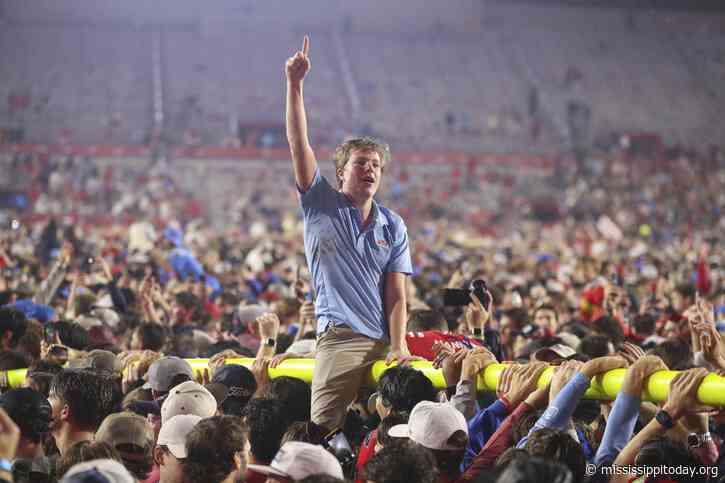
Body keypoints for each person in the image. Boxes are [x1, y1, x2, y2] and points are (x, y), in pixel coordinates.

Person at [285, 35, 416, 431]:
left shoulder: (392, 224)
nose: (371, 169)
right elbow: (298, 142)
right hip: (340, 340)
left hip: (385, 342)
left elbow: (396, 294)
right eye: (362, 163)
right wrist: (294, 85)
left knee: (399, 432)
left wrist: (399, 343)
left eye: (376, 164)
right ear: (341, 171)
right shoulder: (320, 201)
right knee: (320, 432)